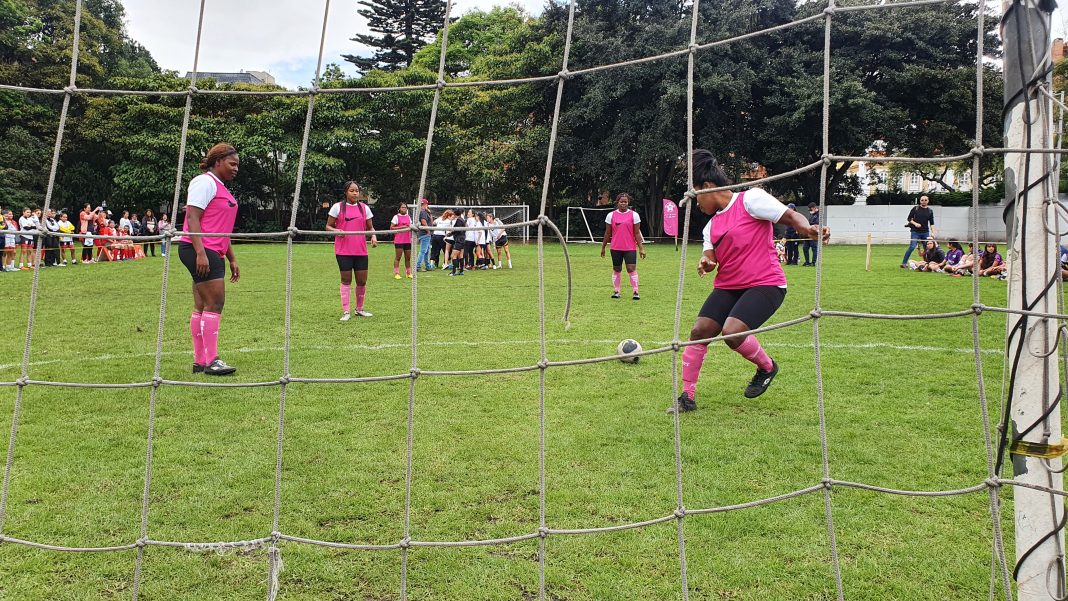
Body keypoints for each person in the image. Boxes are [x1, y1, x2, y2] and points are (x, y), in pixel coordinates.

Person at [672, 149, 830, 413]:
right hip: (728, 286)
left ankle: (767, 367)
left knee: (732, 332)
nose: (695, 203)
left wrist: (808, 229)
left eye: (695, 195)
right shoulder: (710, 227)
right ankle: (686, 398)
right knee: (699, 332)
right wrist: (706, 263)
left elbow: (790, 217)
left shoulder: (750, 199)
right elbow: (709, 256)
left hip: (766, 284)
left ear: (708, 187)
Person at [178, 143, 242, 376]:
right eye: (232, 164)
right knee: (215, 303)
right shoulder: (204, 182)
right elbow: (193, 218)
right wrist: (201, 253)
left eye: (237, 165)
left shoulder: (220, 187)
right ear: (217, 162)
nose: (236, 169)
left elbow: (221, 228)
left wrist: (231, 257)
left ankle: (200, 360)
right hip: (201, 250)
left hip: (213, 250)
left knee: (202, 305)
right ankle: (212, 360)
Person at [325, 180, 377, 320]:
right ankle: (346, 311)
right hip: (343, 251)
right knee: (346, 280)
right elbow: (328, 227)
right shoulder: (337, 207)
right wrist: (336, 230)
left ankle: (359, 309)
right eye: (352, 190)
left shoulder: (364, 208)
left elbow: (370, 227)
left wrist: (373, 235)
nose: (355, 193)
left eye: (357, 191)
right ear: (345, 192)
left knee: (362, 281)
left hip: (361, 251)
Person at [600, 192, 646, 300]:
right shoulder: (610, 215)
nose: (623, 204)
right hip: (615, 247)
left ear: (628, 202)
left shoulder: (634, 215)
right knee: (617, 268)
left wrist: (641, 248)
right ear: (617, 202)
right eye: (621, 202)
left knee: (631, 268)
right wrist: (603, 247)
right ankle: (616, 291)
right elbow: (607, 233)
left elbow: (637, 233)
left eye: (625, 202)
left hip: (629, 247)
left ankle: (635, 291)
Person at [901, 195, 935, 268]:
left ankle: (927, 263)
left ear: (928, 201)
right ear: (920, 201)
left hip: (925, 232)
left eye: (925, 200)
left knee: (927, 248)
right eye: (922, 200)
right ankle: (904, 263)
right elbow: (909, 218)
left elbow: (932, 223)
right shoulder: (915, 208)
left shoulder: (930, 211)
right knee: (912, 247)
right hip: (915, 232)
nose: (924, 201)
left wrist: (933, 232)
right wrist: (915, 224)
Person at [390, 202, 413, 279]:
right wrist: (402, 227)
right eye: (403, 207)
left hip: (407, 240)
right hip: (399, 240)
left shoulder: (408, 217)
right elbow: (392, 228)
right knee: (398, 257)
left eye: (405, 207)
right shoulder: (396, 217)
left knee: (408, 258)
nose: (404, 209)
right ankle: (397, 273)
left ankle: (408, 273)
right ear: (399, 208)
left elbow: (410, 227)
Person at [415, 199, 433, 272]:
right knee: (423, 250)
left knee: (427, 250)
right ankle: (418, 266)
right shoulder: (423, 212)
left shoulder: (424, 212)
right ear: (425, 204)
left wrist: (429, 213)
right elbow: (423, 221)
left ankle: (427, 265)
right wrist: (428, 231)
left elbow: (429, 221)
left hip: (424, 233)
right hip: (425, 234)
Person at [448, 209, 467, 276]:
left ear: (455, 214)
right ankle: (461, 271)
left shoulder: (459, 220)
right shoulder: (462, 219)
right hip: (462, 239)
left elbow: (457, 230)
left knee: (453, 255)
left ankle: (454, 272)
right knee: (460, 255)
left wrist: (450, 233)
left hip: (459, 240)